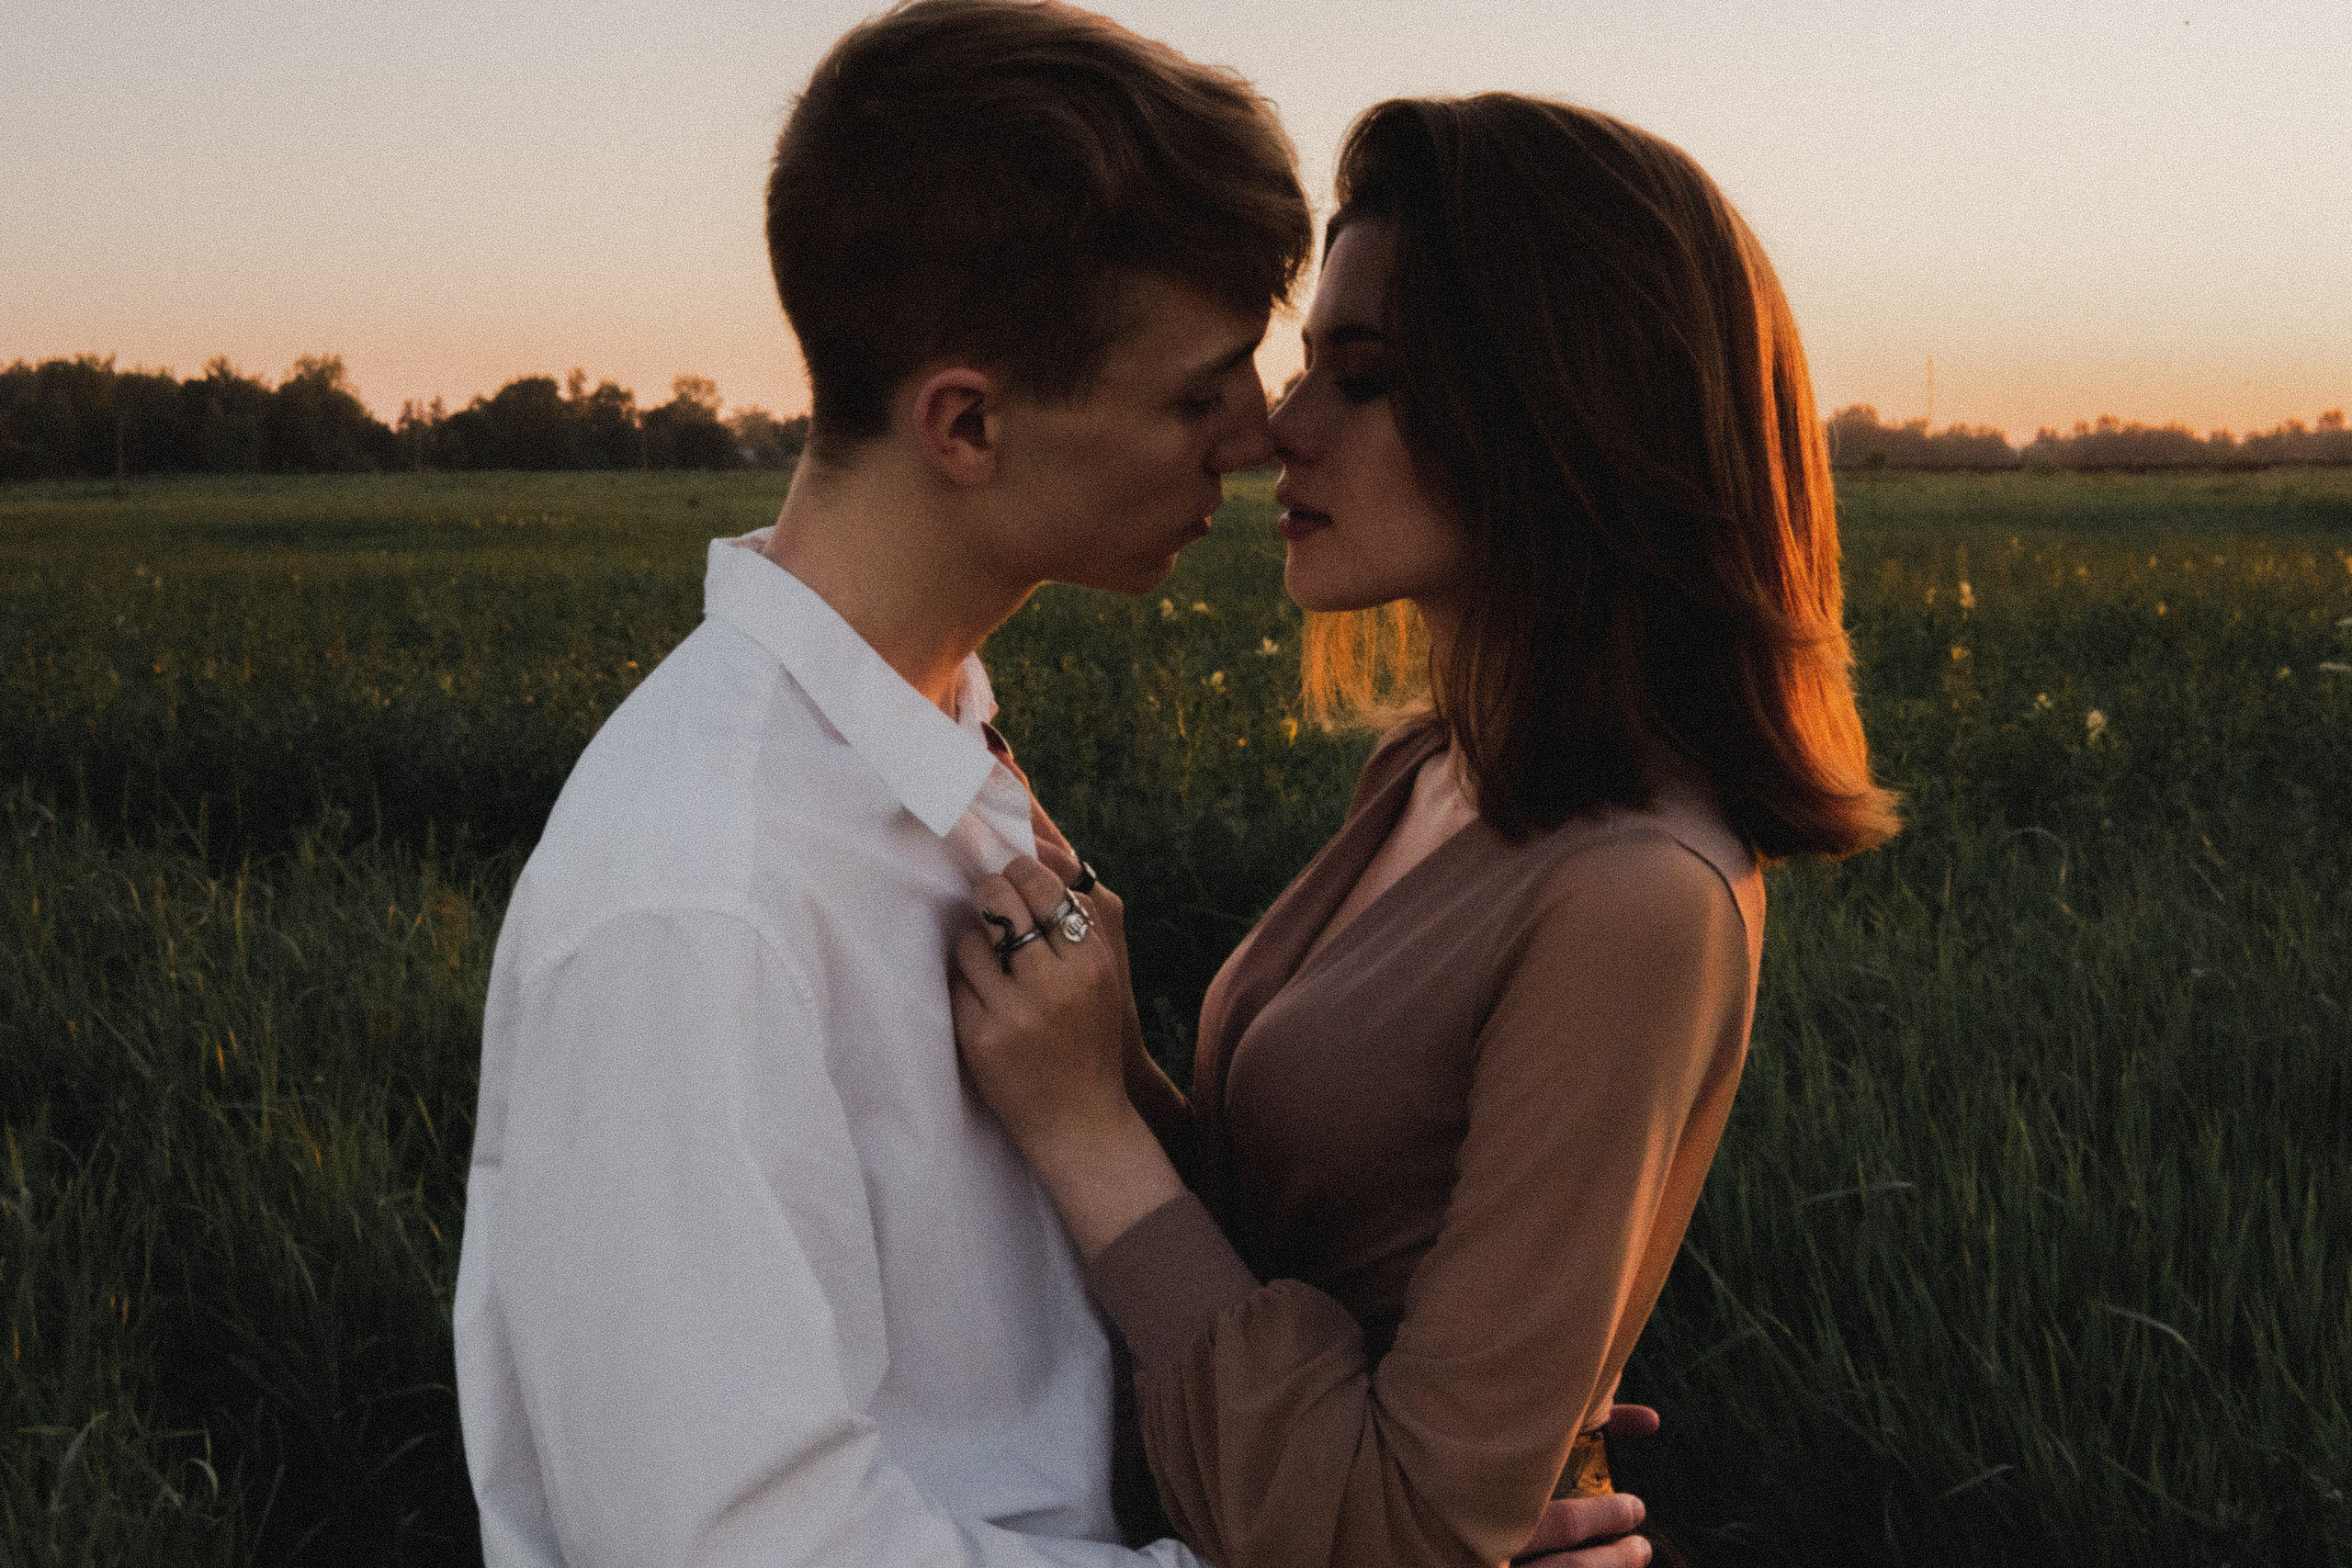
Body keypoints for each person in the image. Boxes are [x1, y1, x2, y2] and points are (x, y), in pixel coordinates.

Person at [452, 7, 1648, 1564]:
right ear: (968, 424)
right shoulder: (698, 896)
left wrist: (1433, 1474)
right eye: (1196, 394)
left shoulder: (929, 755)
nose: (1260, 434)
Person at [953, 93, 1904, 1568]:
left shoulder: (1636, 895)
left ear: (1565, 414)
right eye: (1307, 366)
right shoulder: (1436, 769)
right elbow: (1298, 1254)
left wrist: (1088, 1131)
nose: (1279, 428)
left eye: (1365, 377)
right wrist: (1114, 1063)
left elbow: (1400, 1530)